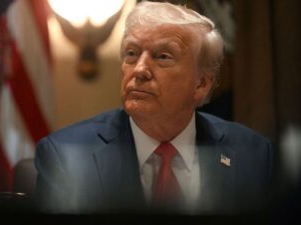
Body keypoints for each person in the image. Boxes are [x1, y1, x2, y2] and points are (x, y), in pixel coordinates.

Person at [35, 1, 274, 214]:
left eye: (162, 56)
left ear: (201, 84)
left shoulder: (252, 155)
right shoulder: (67, 156)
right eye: (131, 53)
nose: (139, 70)